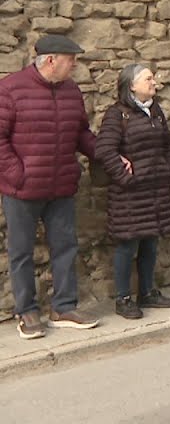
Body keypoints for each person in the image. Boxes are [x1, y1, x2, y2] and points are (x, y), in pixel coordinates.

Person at [0, 34, 101, 338]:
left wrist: (107, 154)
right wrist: (19, 173)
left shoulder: (71, 90)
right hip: (22, 190)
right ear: (50, 60)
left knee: (66, 248)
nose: (75, 65)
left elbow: (81, 133)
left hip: (61, 186)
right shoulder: (10, 88)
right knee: (21, 252)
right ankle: (27, 312)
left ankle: (63, 307)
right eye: (71, 60)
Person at [94, 64, 170, 319]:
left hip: (156, 190)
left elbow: (168, 144)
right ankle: (123, 298)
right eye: (148, 79)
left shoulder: (155, 111)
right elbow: (105, 151)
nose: (155, 83)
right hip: (130, 194)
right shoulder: (117, 115)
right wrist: (126, 178)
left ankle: (147, 292)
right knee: (127, 245)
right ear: (131, 85)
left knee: (150, 242)